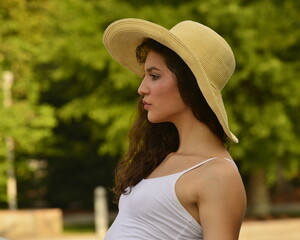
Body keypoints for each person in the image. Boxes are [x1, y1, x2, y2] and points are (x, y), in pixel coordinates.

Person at [102, 18, 246, 240]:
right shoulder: (161, 158)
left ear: (192, 83)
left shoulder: (219, 175)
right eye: (145, 76)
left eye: (154, 76)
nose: (142, 89)